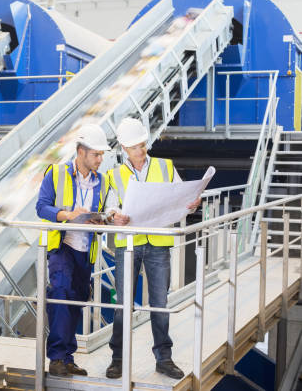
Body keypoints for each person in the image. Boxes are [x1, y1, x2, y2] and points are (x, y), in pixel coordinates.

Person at [104, 117, 201, 380]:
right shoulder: (114, 175)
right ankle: (118, 359)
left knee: (160, 303)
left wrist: (192, 203)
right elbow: (110, 207)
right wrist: (115, 215)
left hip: (157, 243)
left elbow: (182, 195)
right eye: (135, 146)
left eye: (143, 144)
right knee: (123, 305)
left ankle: (164, 359)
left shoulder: (165, 166)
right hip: (129, 243)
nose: (141, 150)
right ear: (124, 148)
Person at [35, 122, 111, 377]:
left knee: (77, 299)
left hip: (85, 250)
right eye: (95, 154)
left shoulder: (103, 181)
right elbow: (41, 207)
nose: (100, 159)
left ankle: (67, 358)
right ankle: (56, 358)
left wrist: (102, 219)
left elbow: (107, 212)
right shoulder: (56, 173)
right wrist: (68, 214)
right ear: (81, 152)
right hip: (62, 246)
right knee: (60, 293)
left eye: (102, 155)